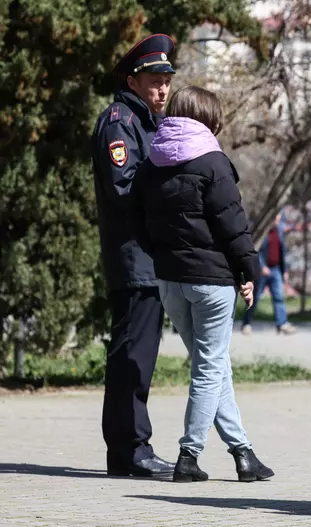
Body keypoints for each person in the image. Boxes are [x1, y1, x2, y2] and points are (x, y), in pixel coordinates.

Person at [129, 85, 275, 483]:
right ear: (207, 119)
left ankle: (244, 454)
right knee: (210, 369)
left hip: (170, 282)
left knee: (213, 366)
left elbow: (139, 223)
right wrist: (247, 271)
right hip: (211, 282)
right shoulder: (213, 162)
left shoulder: (149, 164)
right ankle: (188, 456)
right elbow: (233, 225)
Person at [90, 33, 177, 477]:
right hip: (134, 257)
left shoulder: (145, 122)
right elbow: (123, 187)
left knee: (139, 356)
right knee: (131, 356)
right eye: (154, 78)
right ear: (133, 79)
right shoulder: (120, 122)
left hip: (148, 257)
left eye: (167, 79)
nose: (163, 87)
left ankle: (130, 447)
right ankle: (130, 450)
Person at [240, 212, 296, 335]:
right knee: (255, 297)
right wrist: (262, 266)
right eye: (275, 216)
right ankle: (246, 323)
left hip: (275, 269)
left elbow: (282, 252)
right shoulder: (263, 232)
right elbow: (256, 249)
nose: (277, 219)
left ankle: (282, 324)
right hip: (262, 271)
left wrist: (284, 270)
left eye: (278, 216)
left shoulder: (279, 231)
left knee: (279, 297)